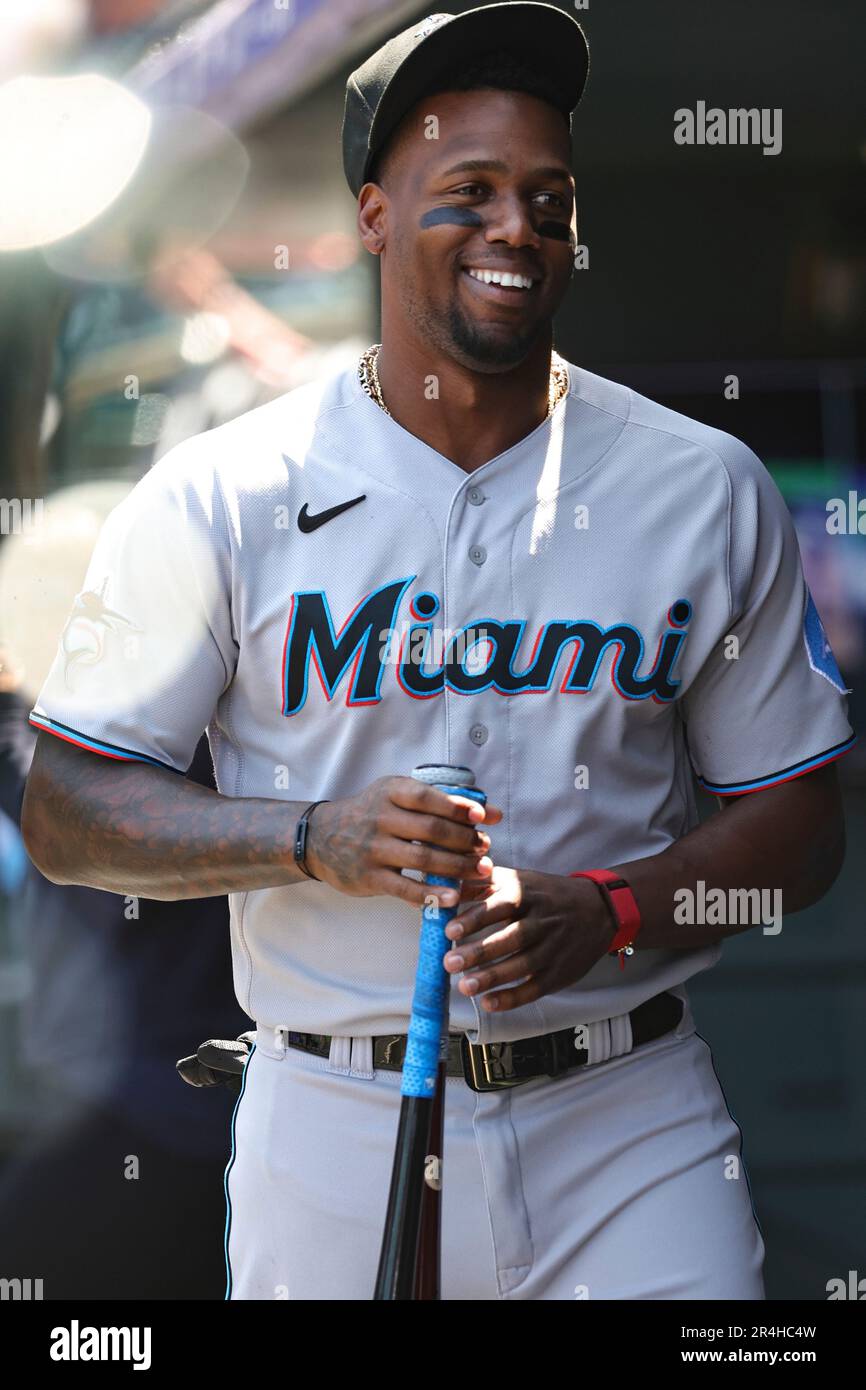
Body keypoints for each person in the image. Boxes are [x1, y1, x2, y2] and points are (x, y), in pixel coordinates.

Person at [21, 5, 855, 1300]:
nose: (516, 225)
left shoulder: (702, 483)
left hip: (626, 1111)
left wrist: (613, 906)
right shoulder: (221, 492)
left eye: (547, 195)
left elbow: (796, 823)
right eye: (467, 192)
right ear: (371, 217)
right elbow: (69, 811)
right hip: (330, 1113)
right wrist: (311, 835)